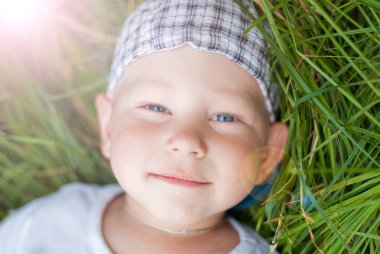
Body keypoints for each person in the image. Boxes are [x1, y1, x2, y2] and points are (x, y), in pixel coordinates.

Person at [0, 0, 288, 253]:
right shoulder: (52, 220)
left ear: (268, 153)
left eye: (225, 117)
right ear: (109, 127)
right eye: (155, 108)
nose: (186, 139)